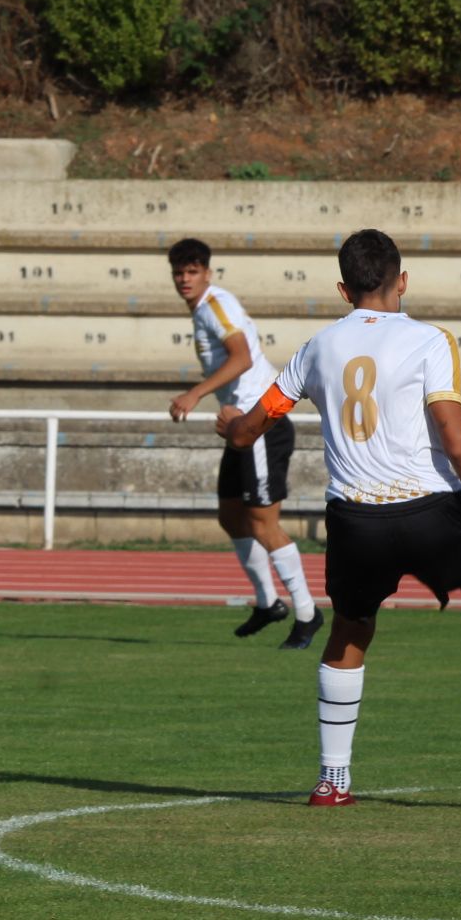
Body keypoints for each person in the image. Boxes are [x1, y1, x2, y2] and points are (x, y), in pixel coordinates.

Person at [224, 229, 461, 806]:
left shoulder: (316, 348)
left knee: (350, 630)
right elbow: (456, 442)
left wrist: (232, 429)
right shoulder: (431, 339)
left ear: (343, 289)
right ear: (402, 280)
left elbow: (254, 425)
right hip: (428, 506)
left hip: (356, 520)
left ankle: (332, 781)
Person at [167, 237, 318, 648]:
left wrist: (195, 393)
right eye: (179, 272)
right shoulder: (204, 309)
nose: (185, 279)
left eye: (192, 271)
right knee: (231, 516)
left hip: (261, 422)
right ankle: (269, 603)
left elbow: (242, 358)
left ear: (207, 273)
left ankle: (307, 612)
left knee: (261, 524)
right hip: (241, 426)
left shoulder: (216, 305)